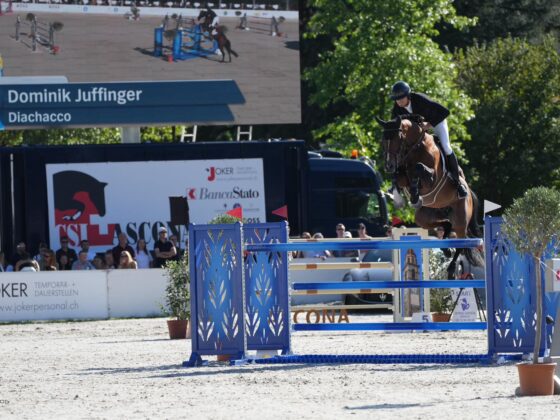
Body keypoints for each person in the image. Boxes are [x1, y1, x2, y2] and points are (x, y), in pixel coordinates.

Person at [390, 81, 468, 199]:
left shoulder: (420, 99)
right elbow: (394, 125)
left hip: (436, 122)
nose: (399, 101)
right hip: (419, 131)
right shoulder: (397, 109)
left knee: (446, 147)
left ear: (408, 95)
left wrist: (428, 125)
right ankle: (396, 185)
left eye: (401, 98)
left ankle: (457, 183)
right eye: (397, 99)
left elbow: (444, 112)